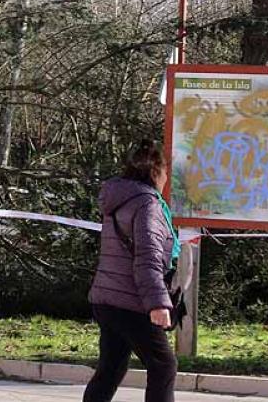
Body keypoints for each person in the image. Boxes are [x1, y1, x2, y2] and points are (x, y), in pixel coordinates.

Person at [84, 139, 181, 402]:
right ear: (156, 171)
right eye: (166, 172)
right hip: (131, 300)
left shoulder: (119, 199)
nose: (167, 178)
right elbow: (147, 259)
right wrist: (158, 305)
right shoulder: (147, 205)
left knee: (111, 367)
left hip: (107, 297)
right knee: (163, 365)